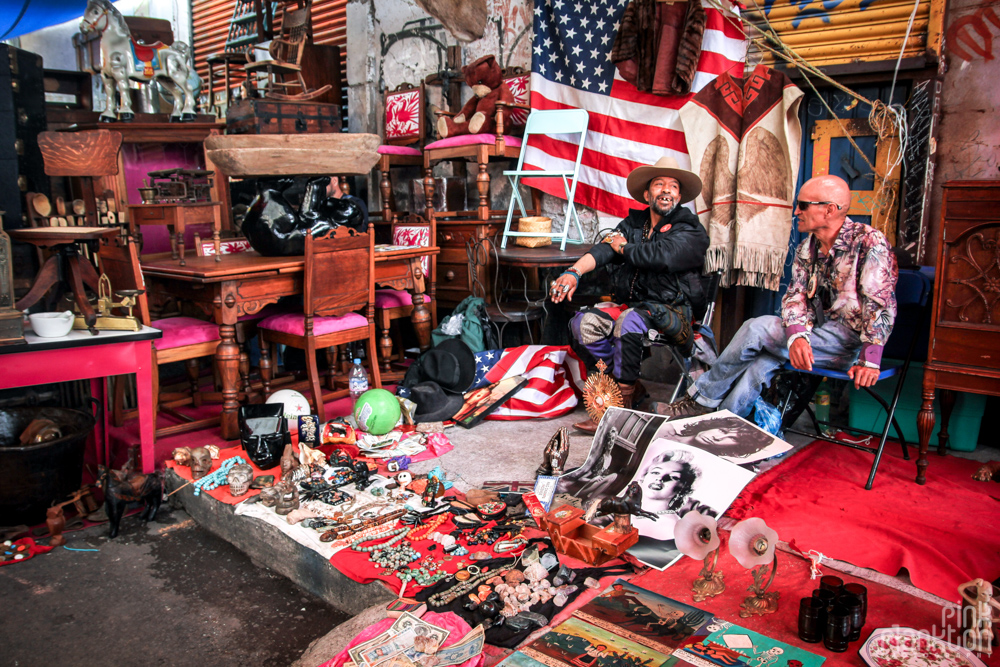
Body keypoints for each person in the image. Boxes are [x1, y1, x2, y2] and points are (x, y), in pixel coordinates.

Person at [654, 174, 898, 420]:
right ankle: (719, 423)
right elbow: (796, 296)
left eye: (803, 205)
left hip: (847, 344)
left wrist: (870, 359)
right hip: (816, 335)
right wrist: (796, 335)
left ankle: (701, 399)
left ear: (830, 210)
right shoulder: (807, 248)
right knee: (760, 364)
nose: (795, 212)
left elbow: (879, 304)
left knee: (756, 328)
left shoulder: (869, 242)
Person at [550, 156, 710, 433]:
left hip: (673, 310)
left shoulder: (690, 229)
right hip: (634, 306)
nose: (666, 190)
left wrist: (623, 248)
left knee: (630, 320)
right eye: (659, 184)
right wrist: (573, 272)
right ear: (647, 194)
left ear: (679, 196)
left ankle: (618, 412)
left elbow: (663, 256)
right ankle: (620, 391)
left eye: (673, 186)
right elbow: (604, 249)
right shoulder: (634, 224)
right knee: (582, 324)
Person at [659, 414, 775, 460]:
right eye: (722, 430)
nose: (718, 438)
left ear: (735, 447)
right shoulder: (667, 428)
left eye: (732, 439)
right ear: (715, 425)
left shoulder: (695, 461)